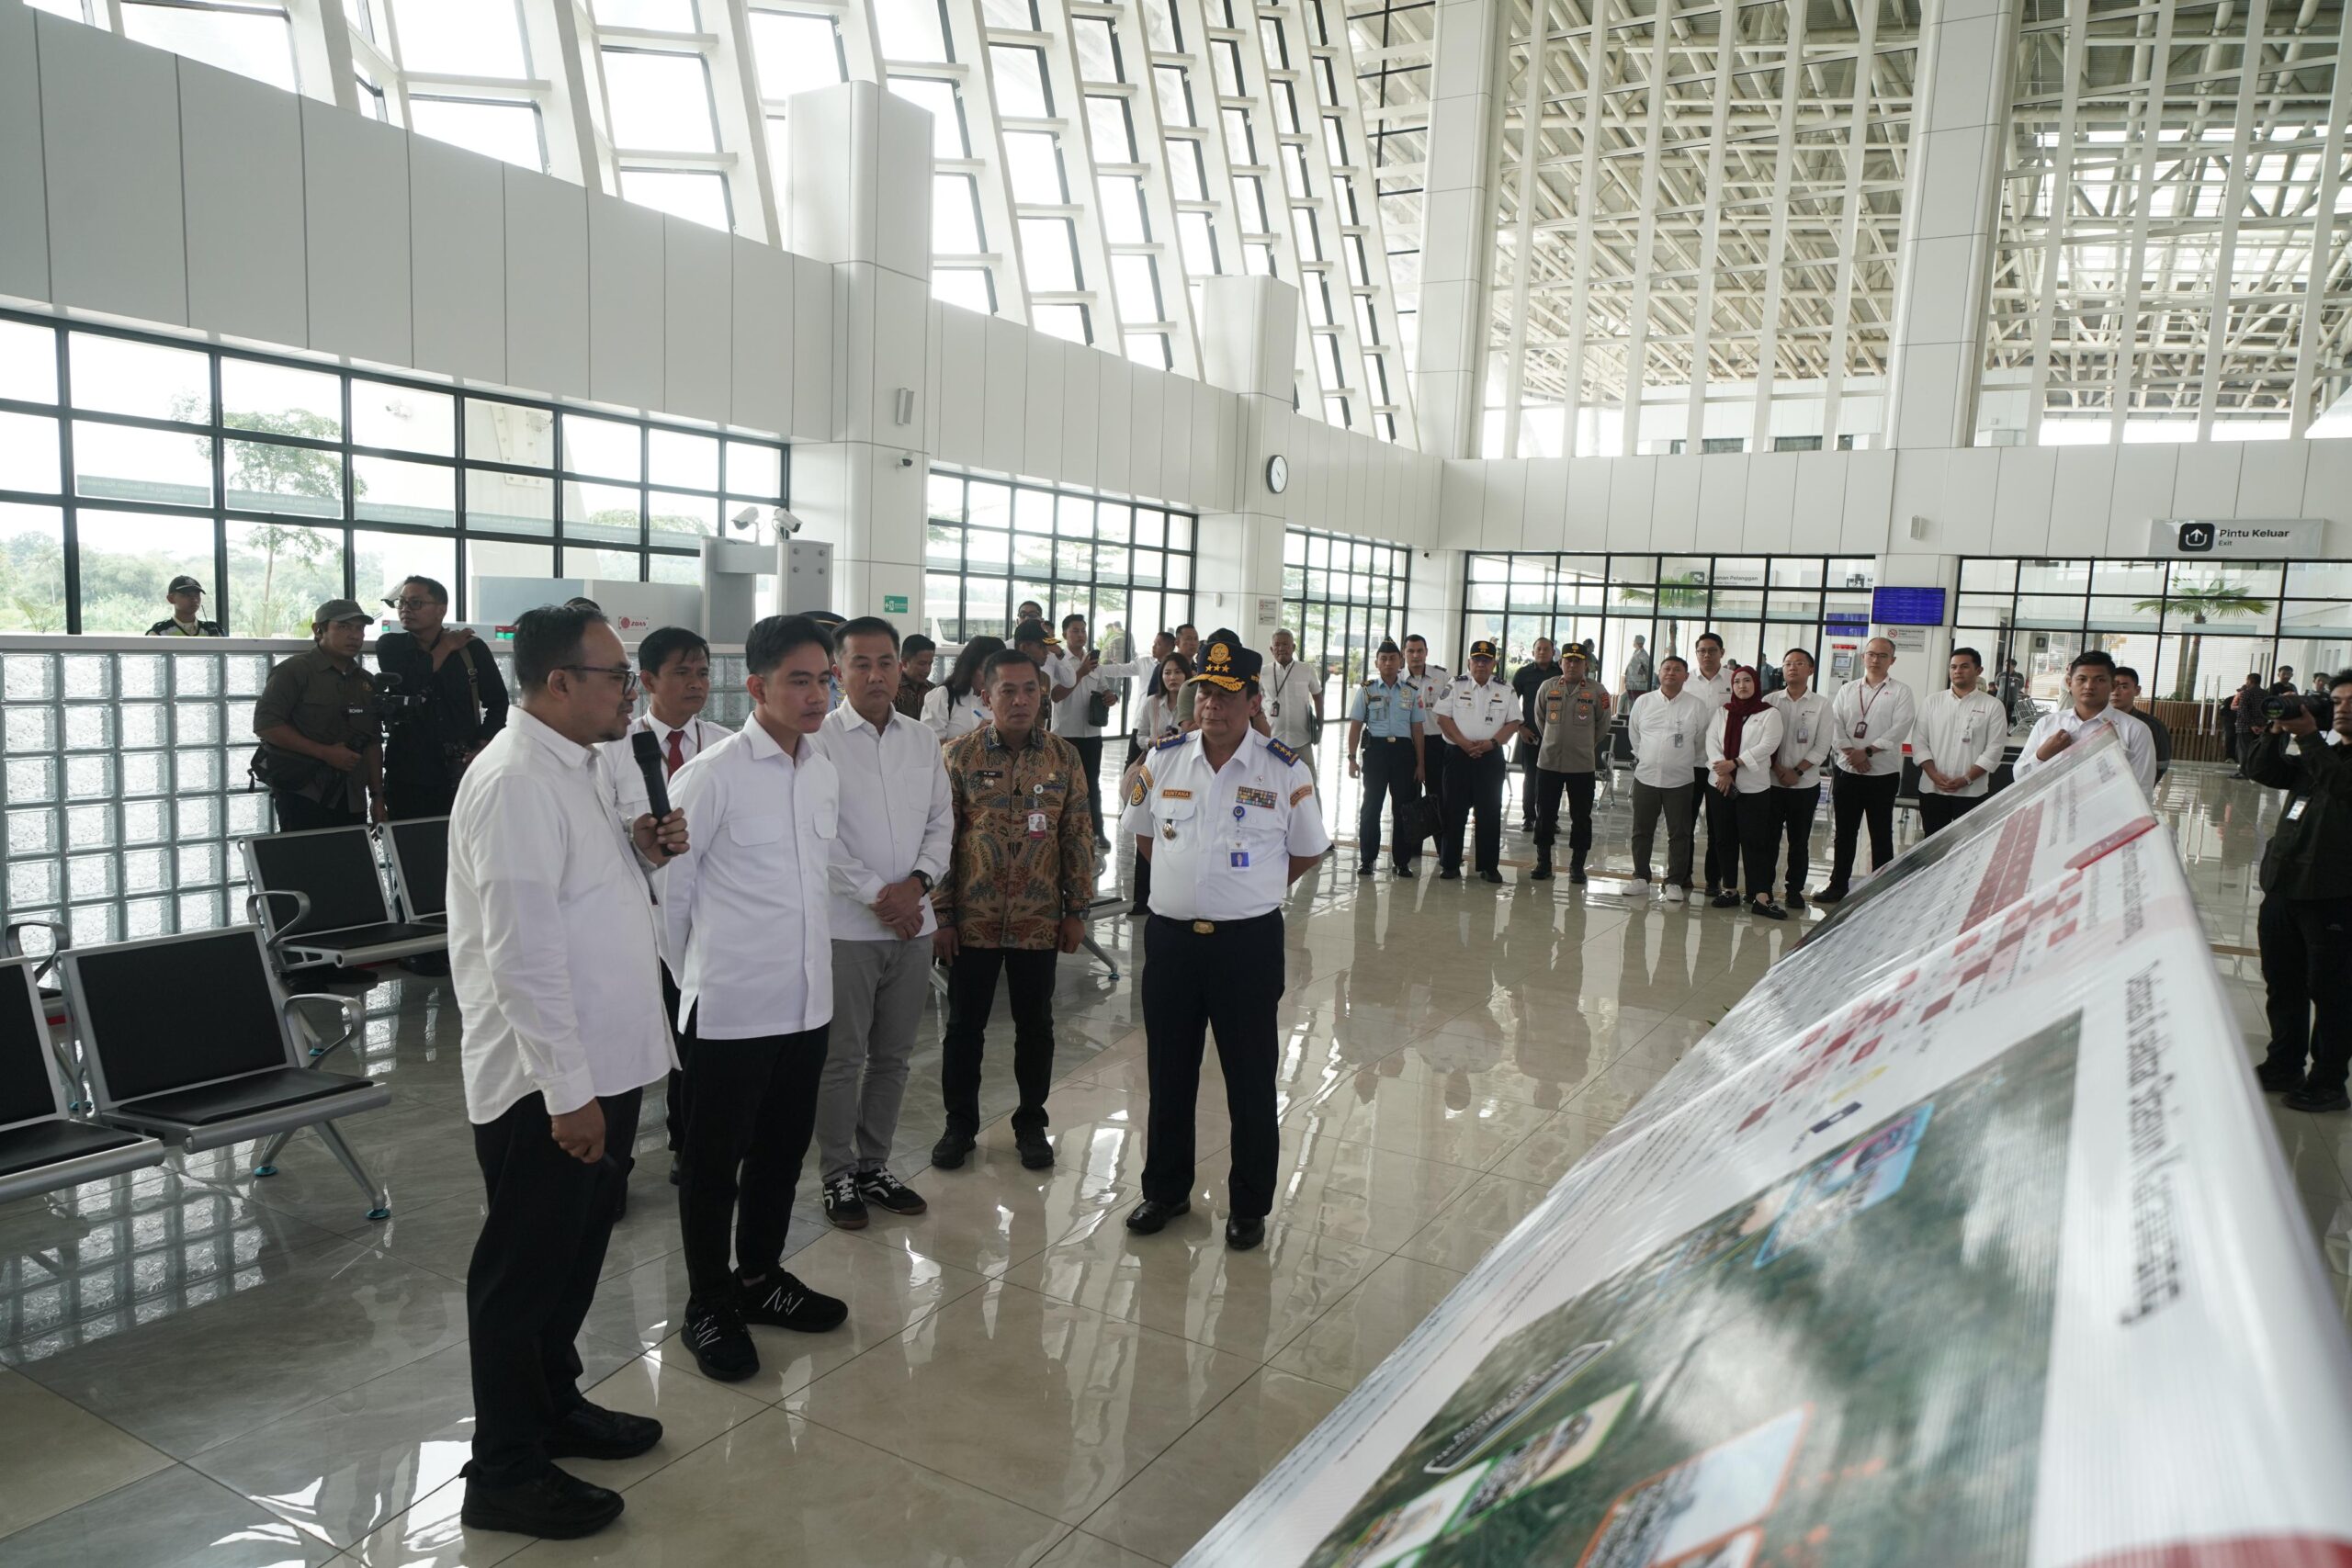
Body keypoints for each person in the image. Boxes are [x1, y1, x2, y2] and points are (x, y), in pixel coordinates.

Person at [447, 604, 686, 1540]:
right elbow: (522, 953)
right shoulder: (511, 782)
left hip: (604, 1063)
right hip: (546, 1085)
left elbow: (579, 893)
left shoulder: (582, 765)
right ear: (557, 684)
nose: (628, 690)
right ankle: (503, 1468)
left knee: (574, 1258)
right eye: (614, 675)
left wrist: (638, 848)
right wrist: (566, 1090)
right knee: (522, 1272)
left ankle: (554, 1404)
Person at [660, 615, 852, 1384]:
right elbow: (669, 901)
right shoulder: (712, 775)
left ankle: (760, 1276)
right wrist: (698, 980)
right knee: (711, 1166)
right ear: (759, 685)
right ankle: (708, 1302)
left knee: (780, 1154)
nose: (816, 694)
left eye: (822, 679)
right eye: (799, 680)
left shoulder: (822, 768)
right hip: (731, 1009)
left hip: (806, 1005)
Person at [1120, 631, 1329, 1251]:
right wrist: (1186, 891)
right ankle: (1165, 1189)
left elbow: (1307, 850)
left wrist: (1252, 891)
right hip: (1174, 945)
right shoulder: (1161, 760)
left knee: (1250, 1078)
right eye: (1205, 691)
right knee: (1169, 1073)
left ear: (1253, 697)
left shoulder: (1284, 769)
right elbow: (1144, 836)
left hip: (1246, 947)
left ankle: (1249, 1204)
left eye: (1227, 693)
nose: (1212, 704)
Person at [808, 618, 953, 1230]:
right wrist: (879, 895)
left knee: (894, 1057)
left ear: (901, 669)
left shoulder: (921, 740)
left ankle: (875, 1163)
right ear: (838, 671)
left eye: (886, 662)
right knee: (842, 1060)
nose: (875, 674)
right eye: (861, 662)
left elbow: (942, 822)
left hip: (912, 927)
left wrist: (916, 886)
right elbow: (821, 835)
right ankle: (837, 1173)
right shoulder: (817, 741)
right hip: (848, 927)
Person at [931, 648, 1096, 1172]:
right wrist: (943, 915)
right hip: (972, 923)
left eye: (1030, 690)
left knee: (1037, 1026)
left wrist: (1077, 909)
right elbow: (941, 841)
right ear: (986, 697)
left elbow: (1077, 836)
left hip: (1039, 920)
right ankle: (959, 1126)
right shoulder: (957, 757)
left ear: (1042, 694)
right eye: (1009, 691)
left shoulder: (1063, 758)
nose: (1021, 700)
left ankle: (1031, 1122)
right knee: (963, 1029)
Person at [601, 626, 719, 1183]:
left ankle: (688, 1143)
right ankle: (614, 1165)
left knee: (690, 1036)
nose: (696, 684)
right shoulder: (610, 751)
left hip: (699, 919)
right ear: (647, 681)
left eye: (702, 672)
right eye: (682, 672)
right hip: (632, 922)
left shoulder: (724, 744)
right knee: (623, 1045)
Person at [2245, 671, 2352, 1112]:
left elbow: (2342, 787)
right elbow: (2262, 770)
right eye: (2338, 700)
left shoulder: (2324, 756)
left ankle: (2329, 1080)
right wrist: (2275, 728)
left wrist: (2309, 739)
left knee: (2331, 991)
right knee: (2282, 983)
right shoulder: (2325, 754)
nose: (2342, 707)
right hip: (2285, 886)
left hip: (2332, 893)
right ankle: (2284, 1063)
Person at [373, 575, 511, 820]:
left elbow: (498, 703)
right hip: (408, 771)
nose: (405, 609)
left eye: (415, 603)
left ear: (441, 610)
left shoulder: (472, 650)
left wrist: (482, 745)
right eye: (401, 603)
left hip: (462, 770)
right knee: (410, 848)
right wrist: (445, 647)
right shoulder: (390, 646)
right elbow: (410, 683)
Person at [251, 599, 386, 831]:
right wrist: (325, 753)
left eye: (359, 628)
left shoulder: (365, 681)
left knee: (350, 864)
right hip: (304, 792)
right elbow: (266, 725)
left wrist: (378, 798)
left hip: (351, 796)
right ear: (319, 630)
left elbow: (373, 742)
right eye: (344, 627)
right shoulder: (294, 671)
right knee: (306, 864)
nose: (354, 635)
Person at [1817, 637, 1916, 903]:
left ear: (1892, 661)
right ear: (1863, 657)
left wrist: (1867, 751)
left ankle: (1882, 887)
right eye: (1871, 654)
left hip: (1882, 773)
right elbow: (1834, 723)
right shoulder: (1848, 689)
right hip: (1847, 771)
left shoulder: (1901, 692)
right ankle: (1837, 885)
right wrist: (1851, 752)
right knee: (1844, 833)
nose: (1875, 659)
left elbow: (1900, 728)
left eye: (1883, 656)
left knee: (1881, 832)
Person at [1053, 613, 1152, 848]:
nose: (1080, 635)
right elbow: (1055, 696)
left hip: (1091, 734)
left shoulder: (1094, 663)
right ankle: (1061, 833)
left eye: (1083, 630)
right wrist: (1080, 673)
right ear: (1065, 634)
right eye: (1075, 630)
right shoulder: (1059, 663)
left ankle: (1096, 832)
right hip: (1065, 733)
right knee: (1063, 784)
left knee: (1092, 784)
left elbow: (1105, 689)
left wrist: (1110, 697)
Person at [1433, 639, 1523, 884]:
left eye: (1486, 660)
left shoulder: (1506, 690)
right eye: (1477, 660)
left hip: (1490, 757)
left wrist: (1491, 744)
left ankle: (1488, 866)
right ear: (1469, 662)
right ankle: (1450, 864)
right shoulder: (1455, 685)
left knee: (1490, 812)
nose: (1481, 665)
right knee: (1454, 811)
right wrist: (1463, 743)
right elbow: (1442, 718)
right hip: (1457, 756)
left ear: (1494, 663)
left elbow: (1513, 723)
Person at [2012, 650, 2158, 794]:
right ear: (2070, 683)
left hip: (2107, 816)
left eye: (2100, 680)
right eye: (2082, 679)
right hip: (2050, 813)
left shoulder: (2135, 730)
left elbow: (2142, 790)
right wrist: (2041, 757)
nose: (2089, 686)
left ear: (2113, 685)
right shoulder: (2047, 724)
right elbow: (2019, 777)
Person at [1625, 656, 1710, 902]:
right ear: (1659, 673)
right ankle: (1640, 877)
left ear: (1686, 676)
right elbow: (1635, 736)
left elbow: (1700, 742)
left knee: (1680, 833)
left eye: (1677, 670)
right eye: (1667, 669)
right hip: (1646, 777)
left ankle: (1674, 881)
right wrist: (1648, 758)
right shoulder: (1644, 702)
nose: (1671, 673)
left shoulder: (1696, 706)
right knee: (1642, 830)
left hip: (1680, 779)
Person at [1706, 667, 1788, 919]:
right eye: (1737, 681)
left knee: (1756, 842)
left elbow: (1768, 745)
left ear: (1756, 684)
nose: (1742, 686)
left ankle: (1761, 896)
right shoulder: (1723, 712)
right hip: (1720, 785)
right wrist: (1723, 771)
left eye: (1747, 681)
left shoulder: (1769, 714)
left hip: (1753, 788)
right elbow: (1711, 742)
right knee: (1724, 838)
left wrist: (1736, 763)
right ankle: (1730, 889)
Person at [1347, 637, 1426, 878]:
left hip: (1403, 753)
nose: (1388, 663)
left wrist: (1421, 763)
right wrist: (1352, 758)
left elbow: (1417, 729)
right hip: (1376, 753)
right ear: (1376, 662)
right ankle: (1367, 859)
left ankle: (1402, 861)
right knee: (1371, 806)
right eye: (1384, 659)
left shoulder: (1410, 691)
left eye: (1393, 658)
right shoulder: (1367, 690)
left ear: (1400, 661)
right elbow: (1356, 726)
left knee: (1403, 809)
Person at [1529, 647, 1608, 884]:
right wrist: (1555, 740)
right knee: (1544, 814)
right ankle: (1543, 862)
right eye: (1568, 661)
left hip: (1581, 765)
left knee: (1581, 817)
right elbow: (1540, 719)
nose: (1572, 665)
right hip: (1549, 762)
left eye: (1578, 661)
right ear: (1561, 663)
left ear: (1586, 665)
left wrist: (1581, 744)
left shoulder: (1597, 691)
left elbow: (1602, 725)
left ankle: (1577, 865)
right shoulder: (1548, 687)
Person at [1914, 647, 2009, 836]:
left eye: (1964, 666)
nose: (1957, 671)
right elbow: (1919, 741)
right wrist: (1933, 775)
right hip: (1933, 790)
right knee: (1931, 847)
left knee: (1966, 849)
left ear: (1978, 671)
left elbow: (1995, 749)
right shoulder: (1932, 702)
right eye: (1953, 667)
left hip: (1971, 792)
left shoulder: (1992, 706)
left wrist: (1966, 779)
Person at [1763, 648, 1832, 907]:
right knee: (1768, 838)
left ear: (1811, 669)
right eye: (1788, 663)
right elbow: (1763, 741)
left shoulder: (1822, 705)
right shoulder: (1770, 701)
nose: (1793, 667)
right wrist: (1780, 770)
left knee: (1799, 840)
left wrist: (1797, 771)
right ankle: (1764, 888)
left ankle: (1794, 890)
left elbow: (1822, 746)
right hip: (1772, 782)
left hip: (1805, 784)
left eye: (1799, 663)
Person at [1127, 650, 1193, 915]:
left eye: (1177, 672)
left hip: (1182, 771)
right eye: (1167, 672)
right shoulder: (1152, 703)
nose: (1172, 677)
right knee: (1145, 828)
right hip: (1154, 770)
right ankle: (1141, 898)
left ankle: (1172, 889)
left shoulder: (1191, 703)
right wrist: (1152, 742)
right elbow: (1140, 736)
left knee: (1175, 831)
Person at [1683, 633, 1736, 900]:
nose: (1707, 655)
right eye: (1701, 650)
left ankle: (1714, 880)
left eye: (1712, 650)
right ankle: (1683, 876)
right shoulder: (1685, 680)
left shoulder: (1733, 680)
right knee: (1685, 823)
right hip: (1689, 763)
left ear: (1722, 652)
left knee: (1718, 827)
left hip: (1720, 766)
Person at [1404, 634, 1452, 863]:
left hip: (1436, 743)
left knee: (1438, 797)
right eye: (1411, 651)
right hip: (1407, 745)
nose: (1415, 655)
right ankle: (1412, 849)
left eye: (1419, 651)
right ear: (1405, 653)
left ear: (1426, 652)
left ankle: (1445, 852)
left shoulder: (1442, 677)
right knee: (1410, 798)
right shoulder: (1398, 678)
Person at [1511, 637, 1562, 830]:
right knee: (1530, 777)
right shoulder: (1523, 674)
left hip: (1555, 735)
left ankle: (1550, 818)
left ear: (1553, 651)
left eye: (1546, 649)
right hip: (1530, 734)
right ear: (1533, 653)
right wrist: (1520, 727)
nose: (1542, 652)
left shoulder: (1560, 673)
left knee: (1552, 779)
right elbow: (1511, 704)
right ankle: (1529, 818)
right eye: (1538, 649)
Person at [1262, 629, 1324, 784]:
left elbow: (1318, 696)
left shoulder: (1307, 670)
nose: (1281, 648)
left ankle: (1314, 809)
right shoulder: (1263, 672)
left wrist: (1320, 726)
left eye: (1285, 644)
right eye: (1277, 645)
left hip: (1301, 741)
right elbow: (1253, 701)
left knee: (1308, 784)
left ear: (1293, 647)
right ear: (1271, 649)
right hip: (1273, 740)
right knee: (1273, 784)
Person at [922, 637, 1001, 740]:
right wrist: (975, 735)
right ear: (970, 667)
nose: (990, 678)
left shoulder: (1000, 699)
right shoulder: (944, 696)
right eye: (985, 670)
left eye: (997, 671)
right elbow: (930, 746)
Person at [2110, 666, 2171, 782]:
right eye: (2112, 687)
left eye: (2123, 687)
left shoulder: (2153, 726)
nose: (2115, 693)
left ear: (2137, 690)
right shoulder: (2095, 721)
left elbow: (2161, 765)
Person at [147, 574, 224, 637]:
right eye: (187, 595)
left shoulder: (214, 630)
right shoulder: (160, 632)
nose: (194, 599)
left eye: (197, 595)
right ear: (170, 599)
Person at [2233, 671, 2267, 777]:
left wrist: (2252, 724)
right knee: (2256, 750)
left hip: (2245, 726)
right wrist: (2263, 725)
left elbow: (2243, 710)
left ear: (2250, 681)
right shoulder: (2266, 693)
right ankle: (2254, 771)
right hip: (2261, 726)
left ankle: (2244, 772)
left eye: (2247, 680)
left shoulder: (2246, 693)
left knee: (2244, 749)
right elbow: (2268, 710)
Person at [896, 633, 938, 720]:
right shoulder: (893, 689)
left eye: (930, 664)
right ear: (904, 662)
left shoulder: (933, 690)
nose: (927, 670)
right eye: (922, 664)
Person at [1622, 635, 1654, 700]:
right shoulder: (1636, 652)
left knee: (1632, 702)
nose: (1633, 642)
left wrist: (1642, 672)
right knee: (1625, 699)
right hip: (1632, 682)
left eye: (1634, 641)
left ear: (1638, 642)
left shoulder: (1643, 654)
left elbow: (1650, 667)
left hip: (1638, 684)